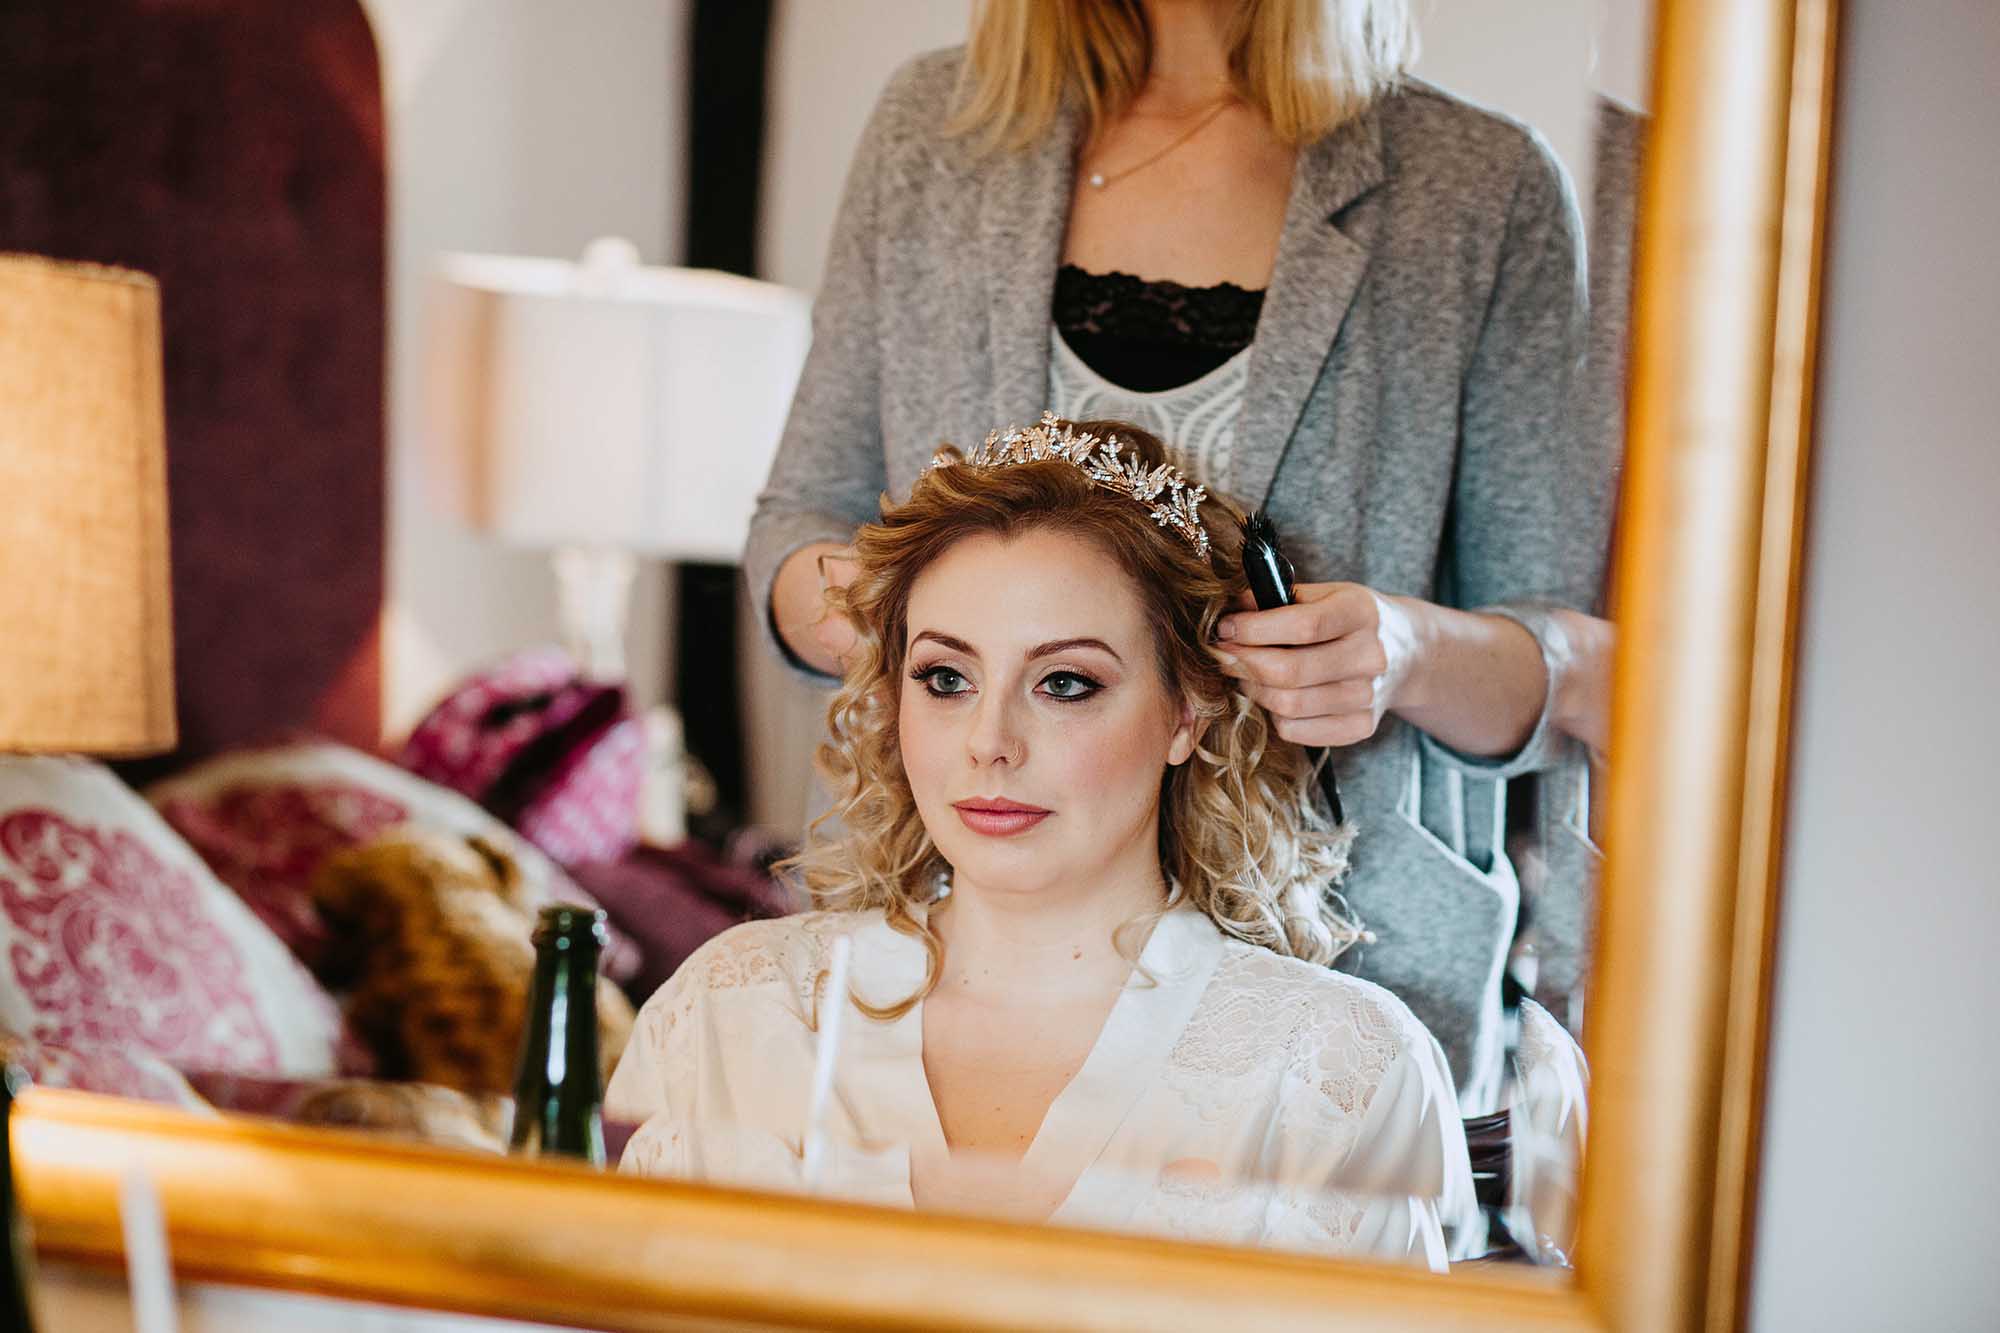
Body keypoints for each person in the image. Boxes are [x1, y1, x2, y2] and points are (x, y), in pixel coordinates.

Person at [745, 0, 1615, 1109]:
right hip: (956, 944)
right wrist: (914, 621)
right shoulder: (938, 129)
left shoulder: (1473, 186)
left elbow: (1582, 660)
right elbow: (796, 525)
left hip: (1345, 957)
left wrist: (1405, 651)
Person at [613, 419, 1471, 1265]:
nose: (990, 741)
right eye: (946, 678)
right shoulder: (728, 1012)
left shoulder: (1336, 1069)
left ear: (1187, 711)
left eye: (1065, 683)